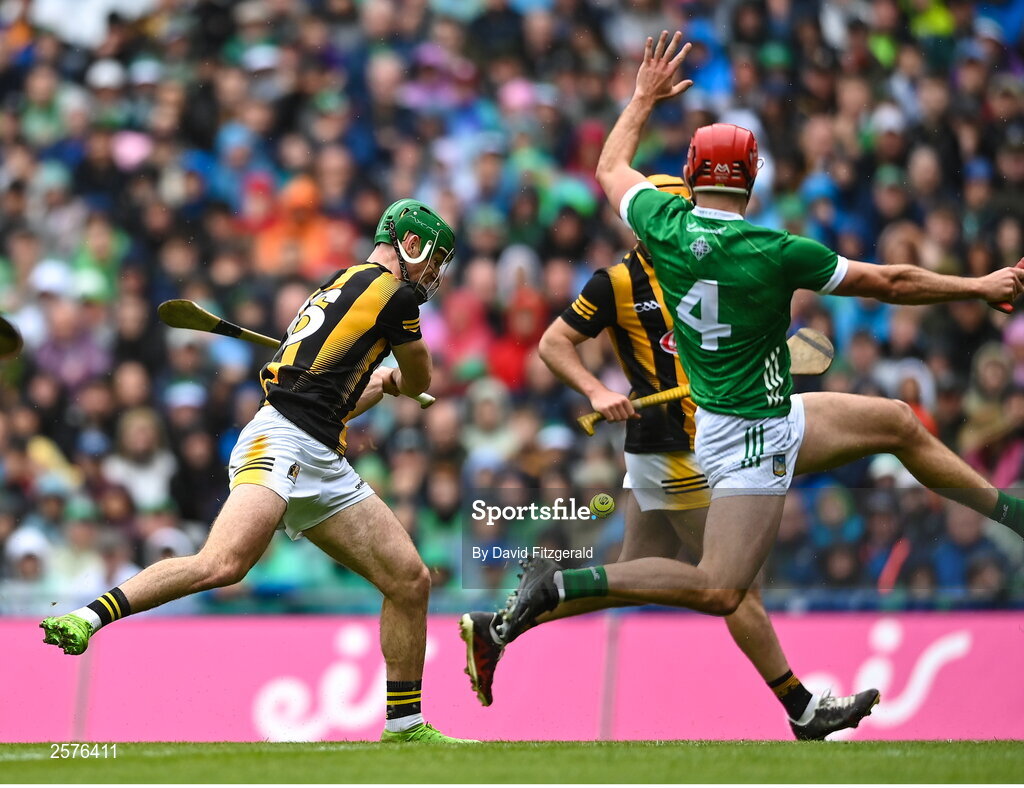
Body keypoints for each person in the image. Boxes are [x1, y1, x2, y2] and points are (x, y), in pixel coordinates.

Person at [499, 32, 1024, 682]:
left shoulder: (662, 225)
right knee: (720, 588)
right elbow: (891, 284)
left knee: (896, 421)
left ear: (691, 177)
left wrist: (642, 98)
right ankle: (562, 587)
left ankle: (1010, 511)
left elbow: (610, 167)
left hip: (766, 417)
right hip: (748, 437)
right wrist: (977, 285)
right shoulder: (779, 250)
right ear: (753, 178)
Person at [460, 174, 879, 741]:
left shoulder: (709, 267)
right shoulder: (615, 283)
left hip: (673, 448)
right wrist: (596, 390)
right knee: (731, 587)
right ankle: (803, 710)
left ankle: (500, 627)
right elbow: (553, 342)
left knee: (631, 575)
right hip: (678, 452)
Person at [40, 199, 475, 744]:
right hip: (281, 438)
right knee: (223, 563)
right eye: (432, 260)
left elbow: (336, 399)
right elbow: (420, 374)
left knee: (409, 581)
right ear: (408, 244)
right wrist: (400, 382)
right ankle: (89, 617)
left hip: (322, 453)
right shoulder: (397, 293)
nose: (434, 275)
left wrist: (381, 383)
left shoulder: (346, 285)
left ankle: (405, 726)